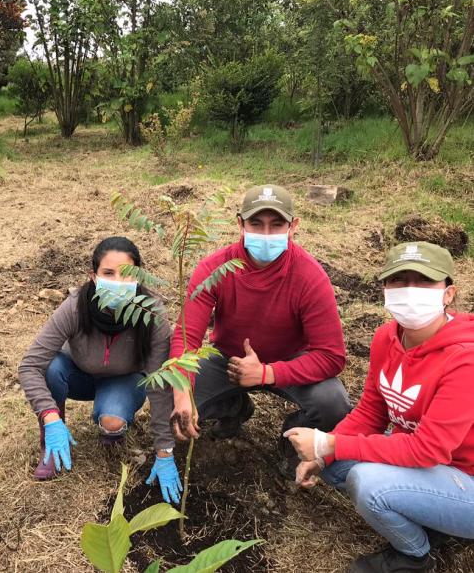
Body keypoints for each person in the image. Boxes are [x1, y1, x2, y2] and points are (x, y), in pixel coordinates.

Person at [285, 241, 474, 573]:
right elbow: (371, 412)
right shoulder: (387, 337)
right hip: (429, 468)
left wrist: (329, 442)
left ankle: (414, 556)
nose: (409, 291)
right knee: (331, 462)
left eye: (423, 281)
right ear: (385, 288)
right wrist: (323, 453)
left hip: (465, 479)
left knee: (368, 483)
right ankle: (430, 514)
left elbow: (427, 449)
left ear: (448, 293)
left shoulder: (465, 358)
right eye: (398, 281)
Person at [164, 184, 351, 476]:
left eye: (276, 225)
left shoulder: (310, 277)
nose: (266, 234)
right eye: (256, 224)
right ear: (240, 223)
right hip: (228, 361)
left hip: (291, 360)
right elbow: (187, 336)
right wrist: (182, 392)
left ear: (294, 226)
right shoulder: (215, 268)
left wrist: (267, 373)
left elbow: (331, 356)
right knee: (170, 396)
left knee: (333, 404)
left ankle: (293, 439)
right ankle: (234, 408)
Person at [18, 237, 180, 502]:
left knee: (112, 421)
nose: (117, 282)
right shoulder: (75, 306)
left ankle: (112, 427)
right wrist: (50, 418)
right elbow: (30, 364)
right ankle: (51, 443)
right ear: (93, 276)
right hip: (78, 375)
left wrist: (164, 451)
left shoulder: (152, 314)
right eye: (108, 273)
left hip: (124, 379)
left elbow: (159, 383)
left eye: (127, 275)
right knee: (51, 367)